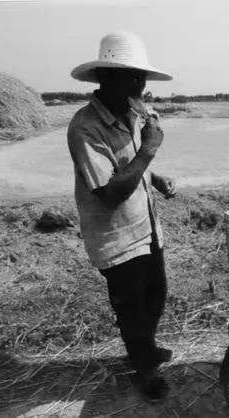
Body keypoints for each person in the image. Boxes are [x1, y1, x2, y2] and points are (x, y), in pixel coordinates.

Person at [67, 32, 175, 402]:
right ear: (105, 79)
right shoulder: (85, 127)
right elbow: (111, 193)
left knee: (156, 293)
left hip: (145, 227)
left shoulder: (130, 113)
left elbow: (127, 165)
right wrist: (149, 150)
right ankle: (144, 370)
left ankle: (145, 348)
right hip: (115, 235)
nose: (141, 87)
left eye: (141, 79)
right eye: (131, 78)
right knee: (132, 307)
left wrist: (155, 178)